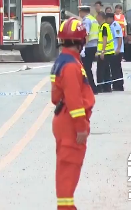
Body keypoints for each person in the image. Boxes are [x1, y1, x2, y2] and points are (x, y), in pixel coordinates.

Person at [51, 17, 95, 210]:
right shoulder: (70, 66)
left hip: (65, 120)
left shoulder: (66, 60)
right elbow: (74, 99)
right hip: (71, 122)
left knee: (66, 169)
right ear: (81, 41)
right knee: (69, 169)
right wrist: (81, 126)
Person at [78, 5, 98, 93]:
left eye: (80, 12)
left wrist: (83, 47)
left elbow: (86, 34)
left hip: (88, 47)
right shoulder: (93, 19)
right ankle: (91, 88)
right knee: (87, 68)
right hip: (94, 46)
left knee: (86, 68)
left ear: (83, 12)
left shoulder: (86, 20)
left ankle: (92, 88)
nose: (79, 14)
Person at [96, 11, 114, 93]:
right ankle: (107, 87)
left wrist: (102, 52)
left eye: (97, 17)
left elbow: (105, 39)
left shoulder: (104, 27)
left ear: (101, 17)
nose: (96, 18)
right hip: (108, 52)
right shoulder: (104, 26)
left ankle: (100, 87)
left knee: (100, 70)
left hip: (105, 52)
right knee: (106, 70)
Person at [109, 13, 125, 91]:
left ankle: (119, 85)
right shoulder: (111, 25)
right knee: (114, 68)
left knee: (116, 68)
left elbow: (119, 37)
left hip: (117, 50)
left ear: (111, 18)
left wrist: (118, 48)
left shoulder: (116, 25)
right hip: (113, 50)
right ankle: (116, 85)